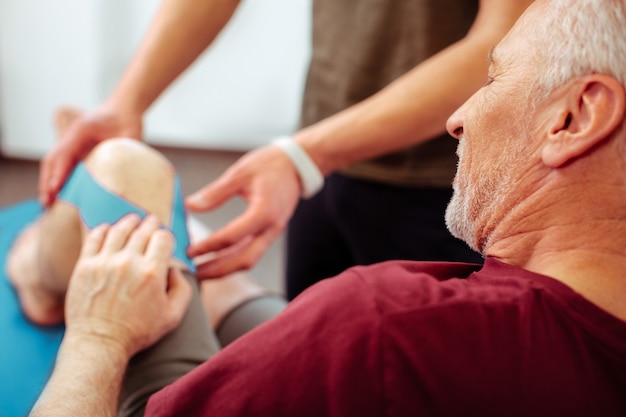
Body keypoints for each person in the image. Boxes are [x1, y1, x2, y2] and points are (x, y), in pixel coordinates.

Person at [29, 0, 626, 415]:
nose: (458, 117)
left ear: (574, 117)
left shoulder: (380, 323)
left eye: (494, 79)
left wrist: (99, 335)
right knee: (226, 287)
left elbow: (358, 342)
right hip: (346, 321)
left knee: (129, 172)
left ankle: (40, 264)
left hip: (379, 268)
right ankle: (187, 247)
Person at [38, 0, 534, 300]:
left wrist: (304, 157)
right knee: (313, 357)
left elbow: (502, 41)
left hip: (453, 185)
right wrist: (128, 100)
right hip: (325, 156)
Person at [6, 137, 286, 416]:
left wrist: (100, 333)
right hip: (316, 361)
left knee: (127, 168)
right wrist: (302, 157)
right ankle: (179, 243)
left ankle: (38, 274)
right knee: (183, 251)